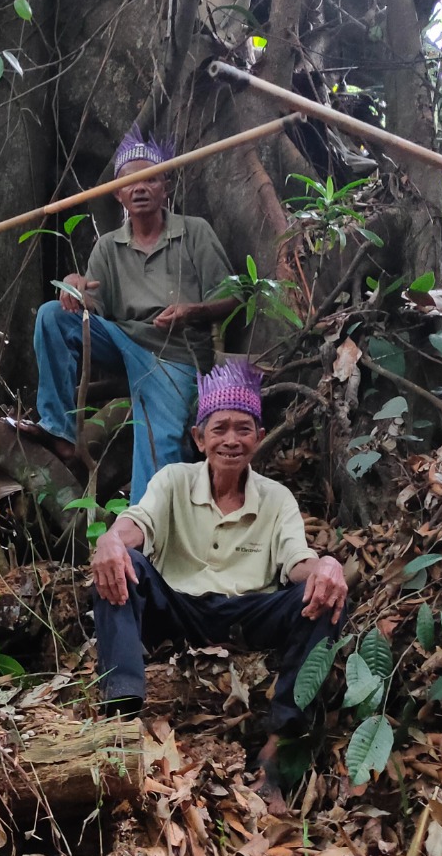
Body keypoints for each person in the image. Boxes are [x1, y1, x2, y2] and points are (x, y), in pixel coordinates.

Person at [89, 362, 349, 803]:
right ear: (199, 438)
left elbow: (295, 561)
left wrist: (327, 565)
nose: (231, 440)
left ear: (258, 437)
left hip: (246, 613)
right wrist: (111, 540)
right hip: (177, 609)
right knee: (122, 563)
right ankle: (121, 716)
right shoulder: (173, 480)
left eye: (243, 429)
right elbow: (139, 523)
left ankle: (279, 745)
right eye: (220, 428)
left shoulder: (276, 498)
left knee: (325, 597)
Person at [31, 126, 237, 500]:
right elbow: (95, 308)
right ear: (118, 194)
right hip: (124, 340)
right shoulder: (108, 247)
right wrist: (73, 289)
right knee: (51, 316)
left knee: (162, 447)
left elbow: (232, 297)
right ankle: (58, 430)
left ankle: (144, 536)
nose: (140, 188)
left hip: (173, 352)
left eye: (150, 179)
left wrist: (192, 311)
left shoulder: (194, 232)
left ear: (166, 188)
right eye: (130, 181)